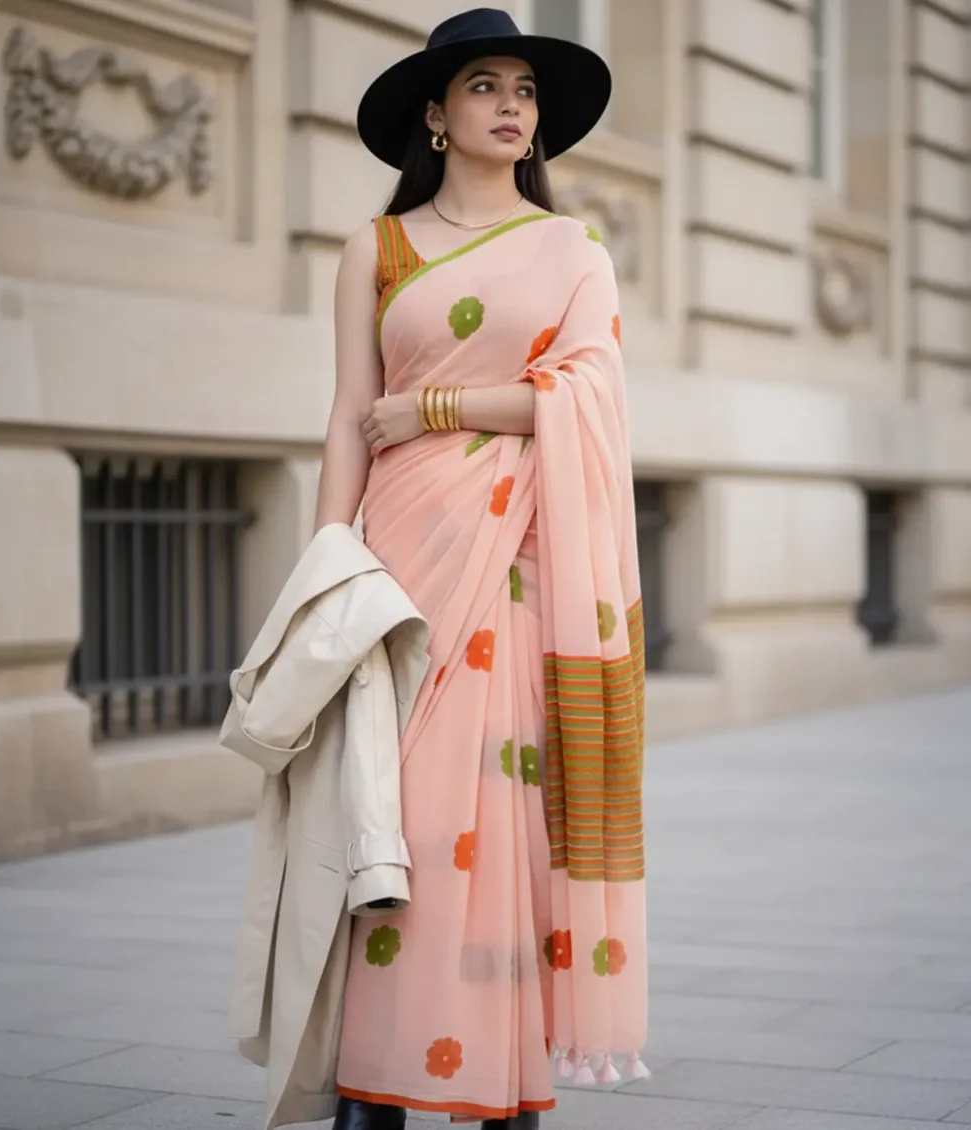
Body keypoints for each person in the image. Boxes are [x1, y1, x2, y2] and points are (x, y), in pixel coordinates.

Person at [314, 9, 649, 1129]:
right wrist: (325, 570)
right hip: (398, 565)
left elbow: (591, 392)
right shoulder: (378, 242)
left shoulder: (572, 251)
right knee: (392, 823)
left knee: (498, 821)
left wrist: (440, 405)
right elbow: (346, 421)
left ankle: (498, 1083)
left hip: (515, 574)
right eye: (483, 86)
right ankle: (375, 1079)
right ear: (434, 113)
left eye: (526, 91)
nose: (512, 105)